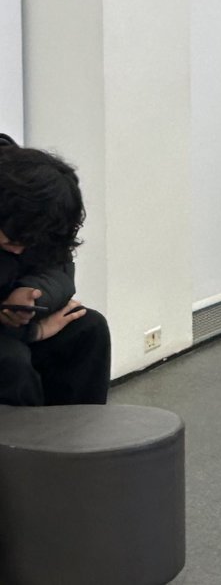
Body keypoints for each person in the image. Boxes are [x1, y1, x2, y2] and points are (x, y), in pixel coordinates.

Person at [0, 135, 111, 406]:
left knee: (88, 328)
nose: (19, 250)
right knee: (9, 361)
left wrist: (30, 296)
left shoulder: (34, 205)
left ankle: (76, 440)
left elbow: (59, 269)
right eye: (13, 240)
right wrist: (30, 332)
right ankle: (25, 446)